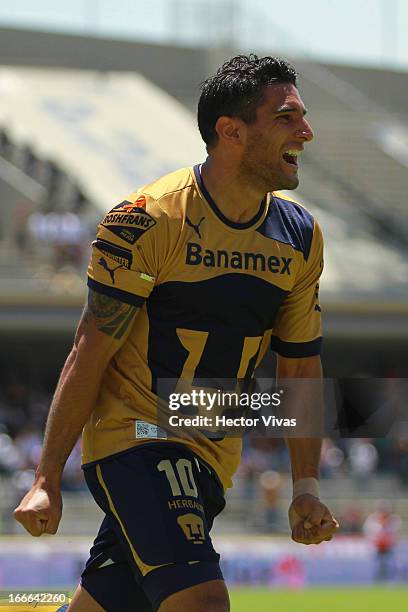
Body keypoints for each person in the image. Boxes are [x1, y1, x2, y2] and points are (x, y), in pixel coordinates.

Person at [14, 55, 339, 612]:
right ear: (231, 131)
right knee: (203, 602)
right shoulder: (147, 219)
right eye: (287, 118)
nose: (305, 132)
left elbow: (300, 364)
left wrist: (305, 485)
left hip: (212, 452)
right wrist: (46, 476)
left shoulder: (300, 236)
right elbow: (90, 349)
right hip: (137, 438)